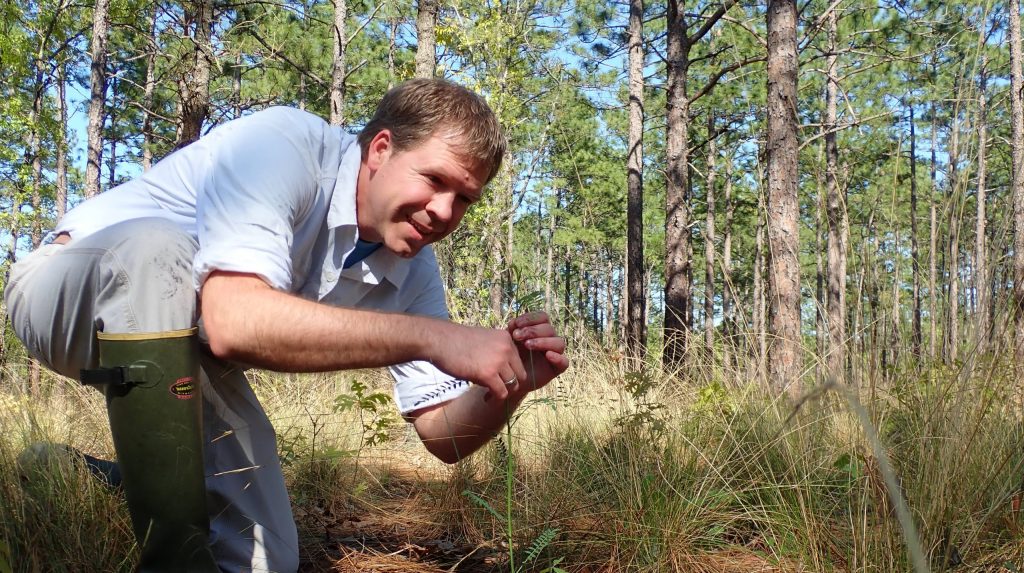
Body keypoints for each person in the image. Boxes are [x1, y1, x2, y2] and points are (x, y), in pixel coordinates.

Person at [4, 78, 569, 572]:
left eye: (464, 200)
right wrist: (437, 338)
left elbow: (443, 435)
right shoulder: (284, 146)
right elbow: (233, 322)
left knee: (267, 559)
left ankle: (102, 477)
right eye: (435, 181)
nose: (445, 212)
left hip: (183, 353)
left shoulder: (412, 266)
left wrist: (509, 384)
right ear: (380, 148)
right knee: (159, 250)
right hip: (65, 293)